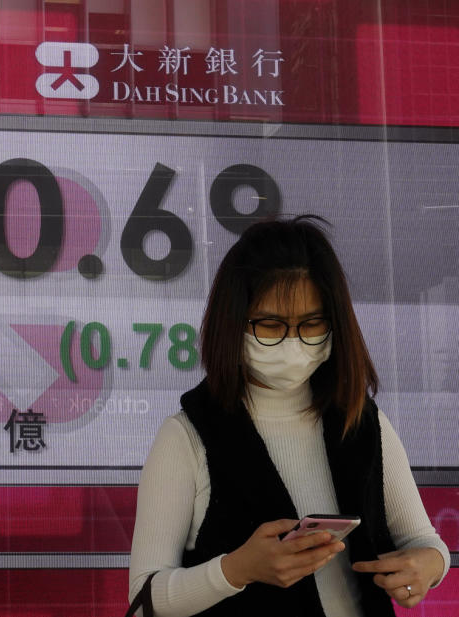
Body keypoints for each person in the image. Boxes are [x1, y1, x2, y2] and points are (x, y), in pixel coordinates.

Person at [128, 216, 449, 617]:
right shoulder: (187, 436)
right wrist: (236, 570)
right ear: (233, 322)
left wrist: (429, 567)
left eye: (312, 324)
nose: (293, 343)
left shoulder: (360, 419)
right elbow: (143, 602)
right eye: (270, 325)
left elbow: (423, 540)